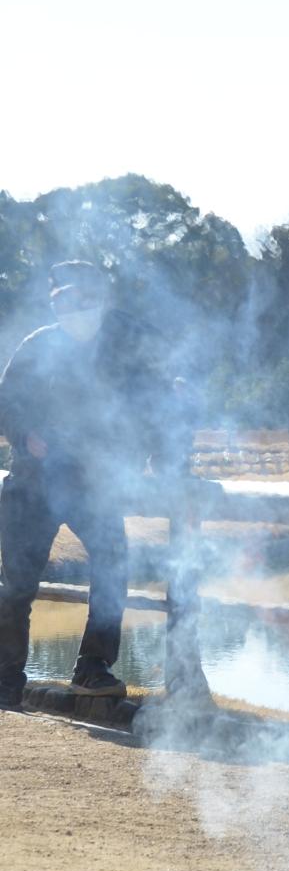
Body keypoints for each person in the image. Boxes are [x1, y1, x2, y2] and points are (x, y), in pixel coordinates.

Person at [0, 261, 143, 706]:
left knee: (114, 561)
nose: (71, 308)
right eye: (61, 300)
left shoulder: (119, 351)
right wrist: (25, 436)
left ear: (98, 301)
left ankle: (92, 668)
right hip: (32, 484)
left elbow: (146, 409)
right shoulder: (36, 346)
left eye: (80, 299)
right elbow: (4, 403)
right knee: (18, 586)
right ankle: (4, 681)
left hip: (89, 485)